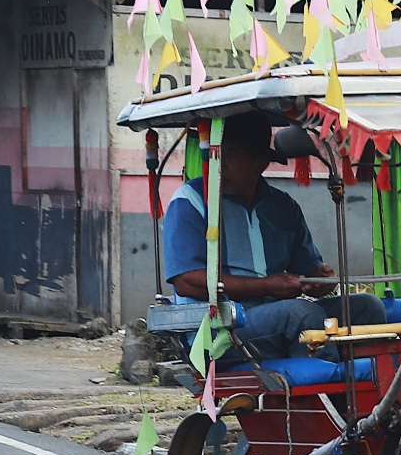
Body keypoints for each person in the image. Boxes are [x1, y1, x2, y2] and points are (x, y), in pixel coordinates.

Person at [160, 114, 384, 360]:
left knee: (367, 307)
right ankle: (324, 393)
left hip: (275, 321)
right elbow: (186, 281)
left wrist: (319, 280)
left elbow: (308, 270)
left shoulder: (283, 206)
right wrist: (266, 286)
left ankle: (368, 385)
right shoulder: (190, 201)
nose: (220, 164)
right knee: (300, 314)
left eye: (231, 155)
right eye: (216, 154)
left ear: (261, 162)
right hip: (217, 329)